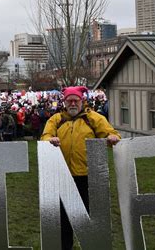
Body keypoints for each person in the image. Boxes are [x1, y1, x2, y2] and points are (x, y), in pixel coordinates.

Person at [41, 86, 121, 250]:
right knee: (64, 222)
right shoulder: (56, 119)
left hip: (87, 177)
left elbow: (111, 134)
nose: (72, 103)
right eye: (69, 100)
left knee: (91, 219)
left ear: (82, 101)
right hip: (62, 177)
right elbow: (45, 136)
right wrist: (50, 140)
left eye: (75, 100)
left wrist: (112, 138)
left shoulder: (93, 118)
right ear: (64, 102)